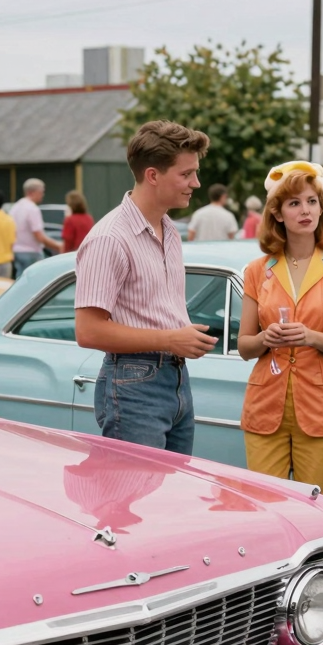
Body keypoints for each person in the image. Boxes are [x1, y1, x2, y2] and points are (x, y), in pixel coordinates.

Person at [74, 120, 217, 453]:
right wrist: (171, 339)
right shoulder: (110, 238)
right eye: (186, 174)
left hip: (175, 379)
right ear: (153, 175)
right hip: (134, 383)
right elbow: (88, 331)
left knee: (171, 498)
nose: (196, 183)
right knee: (132, 499)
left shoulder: (170, 228)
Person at [236, 161, 323, 499]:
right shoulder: (256, 270)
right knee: (266, 508)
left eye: (312, 201)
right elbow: (244, 346)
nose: (305, 210)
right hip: (265, 406)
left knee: (318, 510)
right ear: (278, 214)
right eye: (294, 203)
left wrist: (311, 337)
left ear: (322, 208)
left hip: (322, 409)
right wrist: (265, 339)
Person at [12, 178, 62, 276]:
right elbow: (39, 235)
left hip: (16, 251)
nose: (42, 195)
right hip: (31, 252)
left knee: (20, 280)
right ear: (32, 192)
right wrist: (57, 245)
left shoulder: (15, 207)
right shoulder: (32, 209)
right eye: (41, 192)